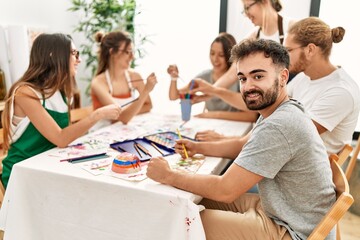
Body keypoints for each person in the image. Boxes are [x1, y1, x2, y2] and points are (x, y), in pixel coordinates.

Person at [147, 39, 335, 240]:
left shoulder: (280, 124)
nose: (248, 86)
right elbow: (241, 145)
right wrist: (197, 147)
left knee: (178, 218)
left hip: (294, 230)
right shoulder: (278, 110)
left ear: (282, 77)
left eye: (258, 76)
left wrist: (168, 175)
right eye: (243, 79)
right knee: (187, 202)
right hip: (283, 211)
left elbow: (225, 190)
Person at [1, 33, 122, 188]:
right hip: (23, 172)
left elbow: (67, 133)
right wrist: (97, 115)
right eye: (74, 54)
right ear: (53, 55)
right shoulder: (25, 92)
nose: (79, 59)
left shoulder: (61, 92)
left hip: (50, 165)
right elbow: (61, 138)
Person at [285, 17, 360, 155]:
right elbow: (278, 107)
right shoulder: (303, 77)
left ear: (310, 50)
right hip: (291, 156)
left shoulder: (341, 91)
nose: (284, 57)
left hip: (307, 170)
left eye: (288, 50)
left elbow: (296, 134)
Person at [167, 32, 258, 122]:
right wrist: (173, 78)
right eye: (212, 53)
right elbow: (174, 96)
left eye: (221, 55)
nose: (215, 59)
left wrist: (214, 114)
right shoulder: (204, 77)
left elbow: (252, 116)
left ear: (231, 57)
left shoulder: (240, 79)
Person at [91, 31, 157, 125]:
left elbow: (148, 105)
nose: (132, 57)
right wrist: (145, 91)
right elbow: (123, 117)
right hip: (101, 134)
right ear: (112, 52)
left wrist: (129, 112)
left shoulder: (134, 76)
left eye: (132, 52)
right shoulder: (98, 83)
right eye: (127, 52)